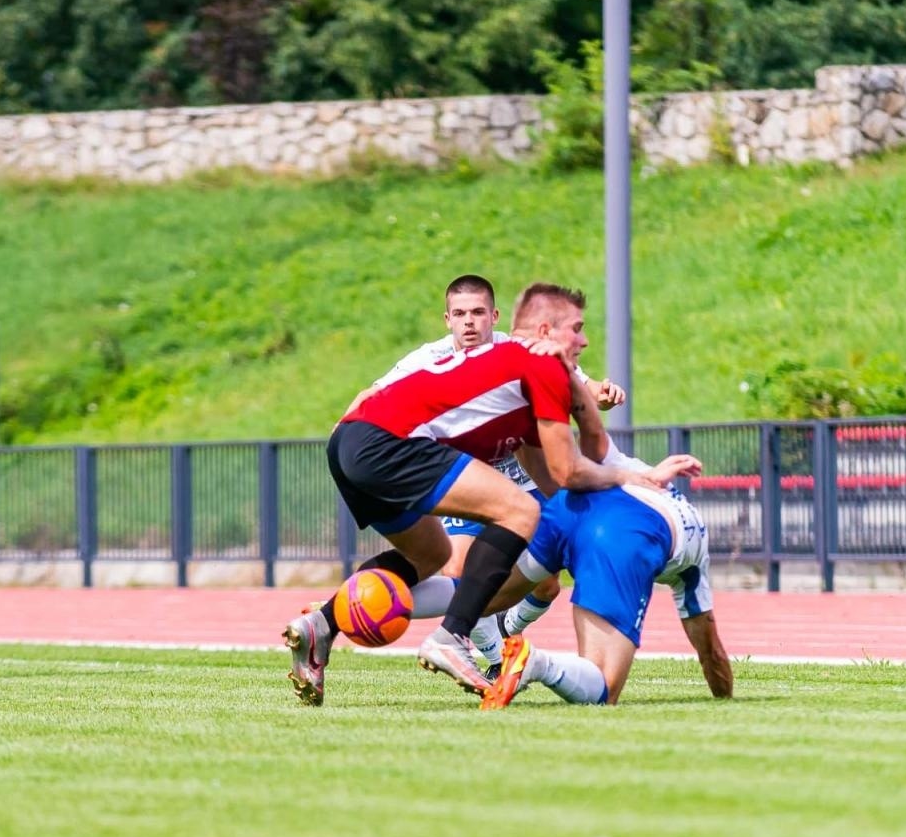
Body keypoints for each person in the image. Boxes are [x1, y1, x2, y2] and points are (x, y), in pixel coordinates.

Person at [285, 317, 694, 706]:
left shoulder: (511, 374)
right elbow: (567, 469)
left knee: (430, 556)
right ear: (545, 334)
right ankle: (454, 637)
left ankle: (321, 623)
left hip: (351, 442)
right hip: (387, 441)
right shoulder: (535, 366)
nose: (583, 343)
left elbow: (555, 480)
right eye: (577, 332)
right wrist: (632, 480)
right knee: (517, 514)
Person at [348, 277, 630, 679]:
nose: (469, 323)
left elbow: (579, 382)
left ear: (494, 317)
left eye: (478, 313)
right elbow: (375, 393)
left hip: (523, 473)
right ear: (447, 320)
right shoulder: (429, 358)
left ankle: (503, 630)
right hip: (464, 476)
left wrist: (600, 391)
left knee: (547, 582)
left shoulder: (518, 349)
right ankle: (491, 654)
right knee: (459, 567)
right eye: (460, 314)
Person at [481, 478, 732, 709]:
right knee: (601, 686)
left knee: (479, 599)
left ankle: (448, 636)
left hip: (568, 506)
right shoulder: (694, 562)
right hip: (622, 531)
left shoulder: (642, 472)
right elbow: (712, 653)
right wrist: (725, 702)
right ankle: (537, 663)